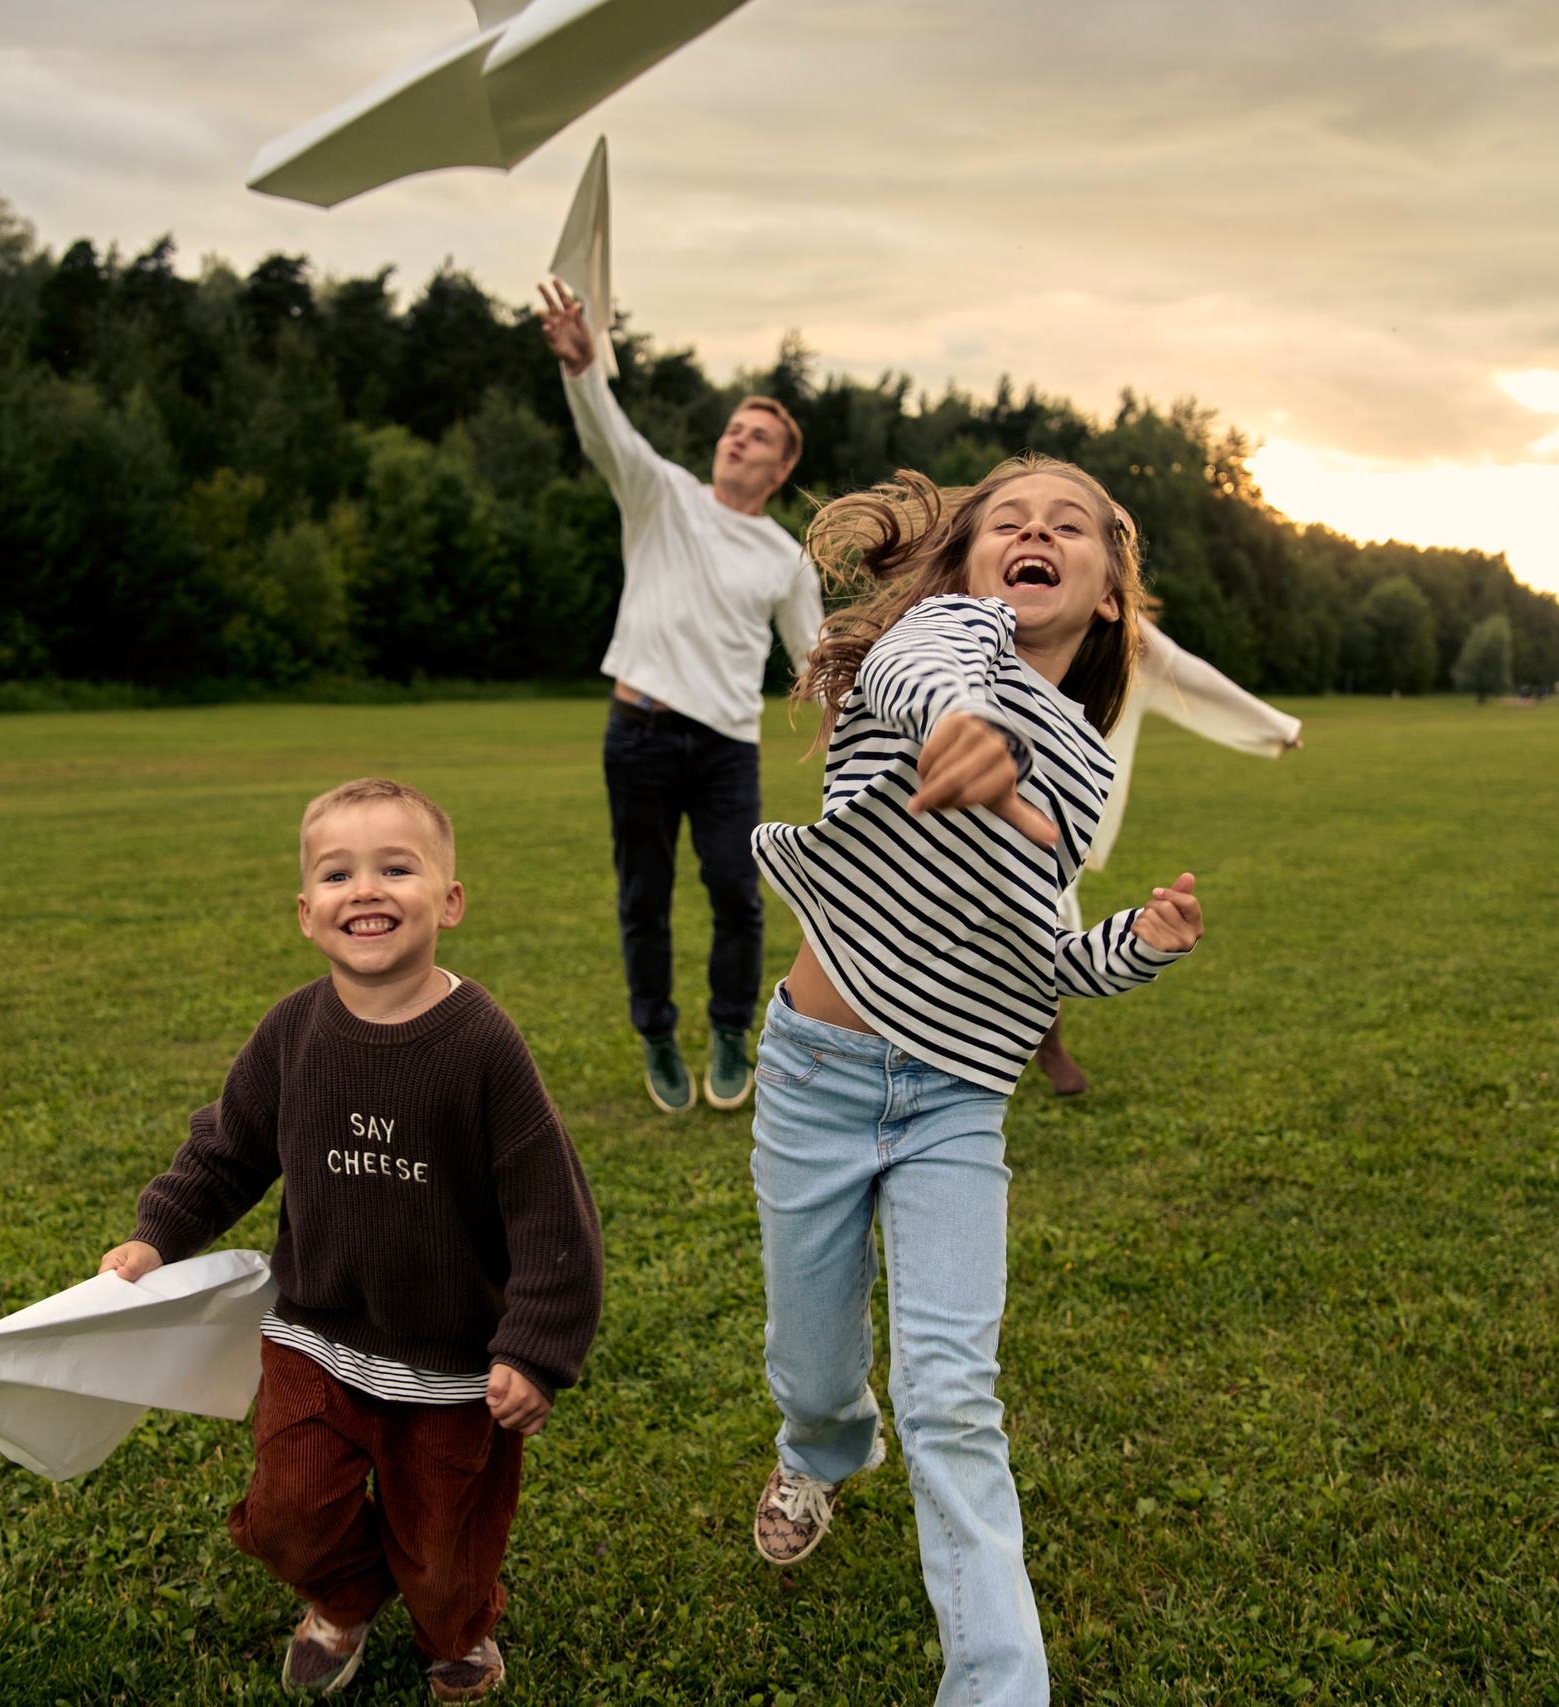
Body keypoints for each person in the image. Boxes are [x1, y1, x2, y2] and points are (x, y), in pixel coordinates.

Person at [743, 457, 1206, 1707]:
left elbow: (1037, 949)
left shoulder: (1092, 763)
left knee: (952, 1396)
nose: (1036, 532)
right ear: (969, 560)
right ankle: (822, 1446)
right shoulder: (944, 637)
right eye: (1009, 520)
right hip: (817, 1077)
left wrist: (1136, 949)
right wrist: (971, 725)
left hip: (955, 1099)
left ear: (1108, 593)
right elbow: (915, 675)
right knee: (814, 1363)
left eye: (1070, 527)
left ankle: (997, 1688)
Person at [95, 778, 603, 1702]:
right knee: (287, 1514)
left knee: (445, 1555)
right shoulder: (293, 1033)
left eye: (395, 867)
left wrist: (535, 1347)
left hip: (449, 1364)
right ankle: (341, 1592)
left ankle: (452, 1628)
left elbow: (549, 1209)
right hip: (315, 1338)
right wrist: (155, 1235)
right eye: (338, 873)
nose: (365, 889)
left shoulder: (483, 1045)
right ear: (305, 911)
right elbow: (229, 1147)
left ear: (449, 900)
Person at [536, 279, 823, 1116]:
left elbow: (813, 659)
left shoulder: (785, 557)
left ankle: (730, 1031)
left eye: (759, 436)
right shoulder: (661, 496)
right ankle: (658, 1036)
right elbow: (608, 435)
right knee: (643, 898)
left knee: (737, 891)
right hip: (641, 734)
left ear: (783, 464)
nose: (739, 440)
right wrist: (585, 368)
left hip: (727, 746)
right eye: (734, 428)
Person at [1032, 612, 1302, 1093]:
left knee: (1045, 926)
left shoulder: (1123, 630)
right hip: (961, 796)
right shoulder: (982, 600)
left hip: (1053, 819)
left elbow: (1186, 672)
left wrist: (1272, 724)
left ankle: (1049, 1045)